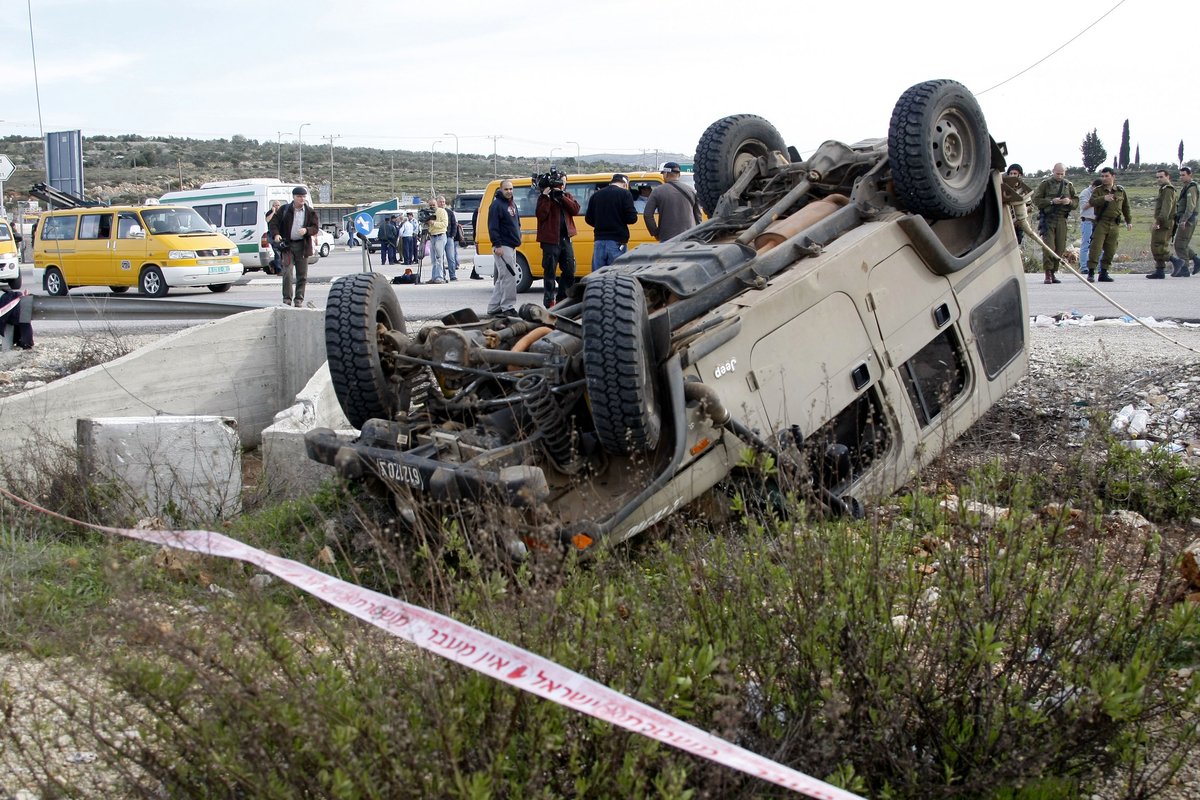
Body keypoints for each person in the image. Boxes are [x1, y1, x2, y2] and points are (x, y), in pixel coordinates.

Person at [268, 186, 320, 306]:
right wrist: (276, 234)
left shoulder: (310, 212)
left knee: (302, 275)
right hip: (288, 246)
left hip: (303, 246)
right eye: (299, 196)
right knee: (287, 273)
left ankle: (299, 300)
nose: (301, 199)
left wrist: (306, 230)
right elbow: (273, 223)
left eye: (303, 196)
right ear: (294, 197)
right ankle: (287, 299)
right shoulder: (284, 210)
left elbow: (315, 228)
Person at [535, 174, 580, 308]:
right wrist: (546, 197)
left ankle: (563, 298)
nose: (561, 185)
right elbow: (541, 215)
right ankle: (549, 301)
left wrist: (562, 197)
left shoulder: (567, 196)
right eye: (559, 183)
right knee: (549, 272)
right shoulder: (543, 198)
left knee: (569, 271)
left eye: (563, 183)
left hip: (565, 239)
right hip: (550, 240)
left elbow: (575, 210)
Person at [1031, 163, 1077, 284]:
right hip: (1049, 219)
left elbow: (1076, 202)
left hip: (1062, 219)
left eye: (1062, 174)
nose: (1060, 176)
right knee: (1049, 247)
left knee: (1060, 247)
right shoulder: (1045, 184)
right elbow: (1036, 200)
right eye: (1058, 173)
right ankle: (1047, 273)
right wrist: (1051, 201)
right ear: (1053, 171)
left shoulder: (1068, 185)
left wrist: (1069, 202)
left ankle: (1053, 272)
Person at [1084, 167, 1131, 283]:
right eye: (1102, 176)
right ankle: (1091, 272)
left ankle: (1104, 272)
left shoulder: (1120, 190)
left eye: (1107, 176)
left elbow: (1126, 207)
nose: (1104, 178)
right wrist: (1103, 198)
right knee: (1096, 248)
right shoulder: (1098, 190)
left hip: (1114, 223)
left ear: (1113, 176)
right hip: (1101, 222)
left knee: (1111, 249)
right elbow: (1092, 202)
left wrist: (1128, 221)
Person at [585, 173, 637, 270]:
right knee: (616, 275)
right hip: (617, 241)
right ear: (625, 184)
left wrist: (600, 224)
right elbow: (632, 218)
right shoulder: (625, 194)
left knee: (597, 275)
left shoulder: (596, 195)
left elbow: (588, 219)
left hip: (599, 240)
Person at [644, 162, 703, 242]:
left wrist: (655, 233)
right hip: (689, 237)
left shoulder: (657, 191)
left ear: (666, 174)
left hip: (667, 238)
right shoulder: (691, 191)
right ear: (679, 175)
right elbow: (698, 216)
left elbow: (647, 215)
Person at [487, 179, 520, 315]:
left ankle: (494, 307)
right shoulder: (496, 205)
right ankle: (508, 306)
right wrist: (497, 245)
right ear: (500, 190)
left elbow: (516, 222)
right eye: (506, 189)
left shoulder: (512, 204)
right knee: (509, 277)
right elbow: (493, 227)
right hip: (503, 245)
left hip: (512, 245)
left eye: (511, 189)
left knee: (503, 278)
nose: (509, 191)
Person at [1147, 170, 1177, 279]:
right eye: (1157, 177)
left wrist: (1159, 221)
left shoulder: (1168, 190)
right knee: (1157, 244)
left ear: (1167, 177)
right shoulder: (1163, 189)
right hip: (1163, 221)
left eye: (1161, 177)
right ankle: (1160, 270)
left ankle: (1176, 261)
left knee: (1157, 246)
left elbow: (1166, 208)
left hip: (1164, 222)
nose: (1159, 179)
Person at [1172, 166, 1200, 277]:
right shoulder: (1187, 187)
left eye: (1184, 175)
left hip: (1188, 219)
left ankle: (1184, 268)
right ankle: (1196, 260)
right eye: (1180, 175)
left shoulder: (1191, 188)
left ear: (1190, 175)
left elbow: (1191, 206)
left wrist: (1184, 220)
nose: (1181, 177)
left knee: (1180, 244)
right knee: (1182, 243)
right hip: (1187, 218)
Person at [1077, 178, 1102, 275]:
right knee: (1086, 244)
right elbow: (1083, 206)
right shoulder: (1085, 193)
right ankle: (1084, 267)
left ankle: (1100, 267)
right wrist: (1096, 201)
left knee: (1100, 245)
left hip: (1098, 221)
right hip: (1087, 221)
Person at [425, 199, 449, 284]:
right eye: (430, 205)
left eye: (433, 205)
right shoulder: (428, 212)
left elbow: (445, 224)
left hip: (440, 236)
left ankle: (439, 277)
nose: (432, 207)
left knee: (439, 257)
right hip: (432, 236)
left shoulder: (442, 212)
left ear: (437, 204)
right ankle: (434, 276)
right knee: (433, 259)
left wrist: (433, 223)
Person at [1005, 164, 1029, 244]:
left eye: (1015, 173)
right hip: (1006, 222)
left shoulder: (1023, 189)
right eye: (1011, 173)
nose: (1012, 176)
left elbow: (1029, 206)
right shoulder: (1005, 188)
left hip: (1018, 223)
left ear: (1020, 175)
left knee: (1017, 243)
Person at [438, 196, 460, 281]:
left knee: (451, 257)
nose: (442, 203)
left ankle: (452, 275)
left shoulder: (450, 212)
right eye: (440, 202)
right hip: (439, 237)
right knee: (440, 257)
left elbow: (454, 224)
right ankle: (442, 275)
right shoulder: (436, 212)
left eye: (443, 202)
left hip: (449, 237)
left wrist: (452, 235)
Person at [264, 200, 284, 275]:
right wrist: (273, 212)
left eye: (278, 205)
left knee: (281, 253)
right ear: (273, 206)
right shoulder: (269, 213)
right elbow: (267, 220)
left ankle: (273, 264)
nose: (277, 207)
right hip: (272, 235)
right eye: (275, 205)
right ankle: (279, 270)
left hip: (280, 235)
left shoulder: (281, 213)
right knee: (277, 252)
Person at [469, 206, 484, 279]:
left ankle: (474, 273)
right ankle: (474, 273)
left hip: (477, 234)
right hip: (478, 235)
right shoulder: (478, 211)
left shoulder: (478, 211)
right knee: (480, 254)